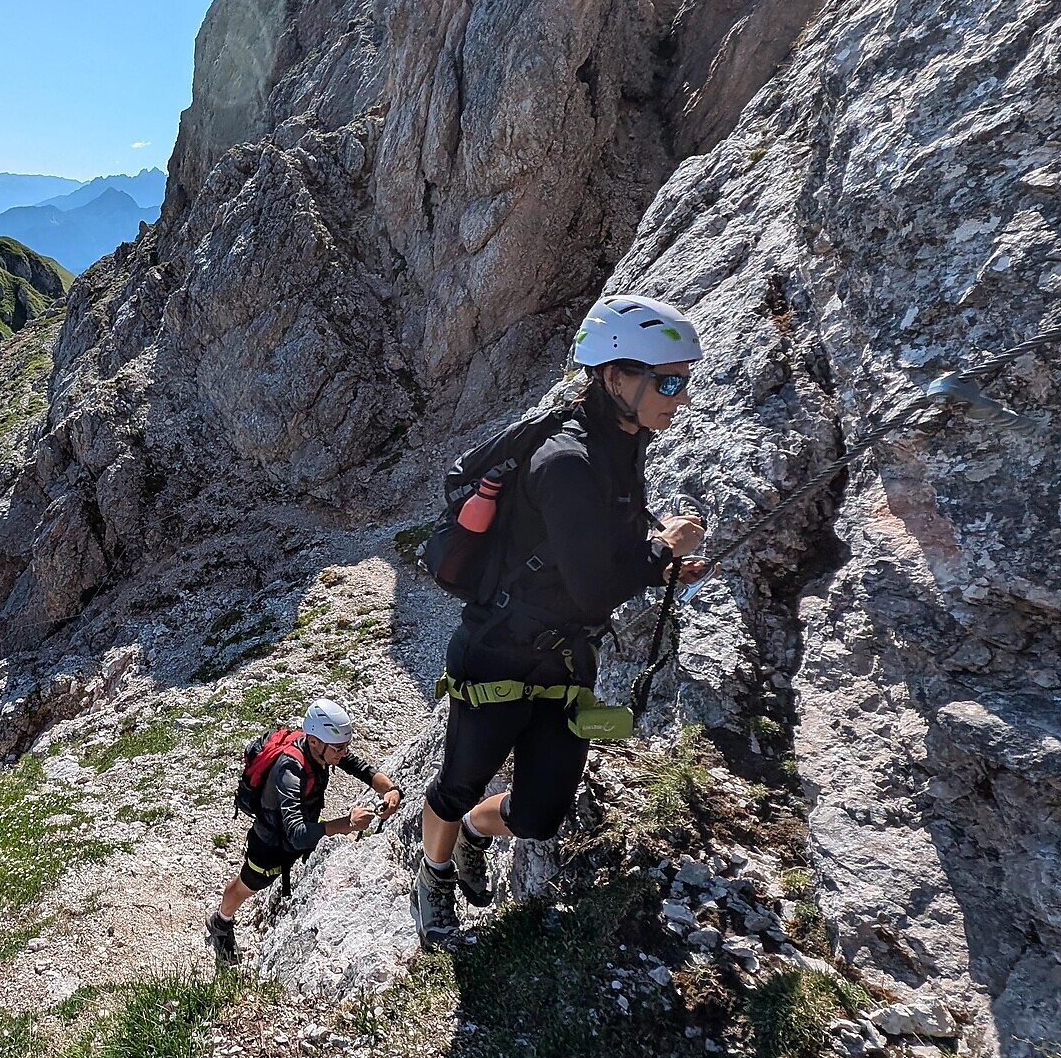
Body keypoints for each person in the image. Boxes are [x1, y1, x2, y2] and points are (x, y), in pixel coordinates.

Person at [411, 293, 710, 948]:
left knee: (540, 814)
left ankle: (468, 837)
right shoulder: (568, 459)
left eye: (683, 381)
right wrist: (663, 552)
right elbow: (596, 581)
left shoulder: (621, 441)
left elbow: (603, 548)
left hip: (565, 655)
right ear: (614, 377)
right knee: (458, 782)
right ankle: (431, 882)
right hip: (499, 651)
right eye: (667, 381)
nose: (679, 396)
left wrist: (658, 565)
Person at [208, 698, 402, 966]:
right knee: (246, 886)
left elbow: (361, 769)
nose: (343, 753)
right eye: (338, 748)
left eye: (346, 746)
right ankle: (220, 923)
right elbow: (297, 833)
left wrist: (390, 790)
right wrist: (349, 822)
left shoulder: (324, 749)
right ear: (314, 742)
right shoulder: (289, 769)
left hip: (304, 828)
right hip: (271, 843)